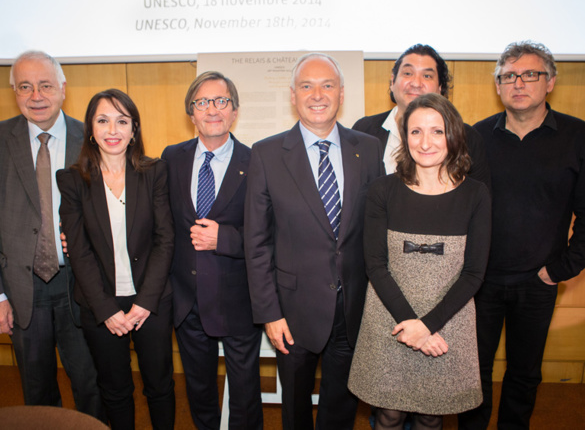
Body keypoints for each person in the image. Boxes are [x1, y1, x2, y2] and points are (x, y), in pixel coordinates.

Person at [245, 53, 384, 429]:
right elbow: (256, 243)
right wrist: (270, 313)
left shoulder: (368, 149)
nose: (317, 94)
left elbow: (377, 229)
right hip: (291, 310)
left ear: (342, 93)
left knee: (341, 405)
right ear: (293, 95)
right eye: (306, 86)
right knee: (294, 408)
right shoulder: (267, 153)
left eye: (327, 85)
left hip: (352, 305)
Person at [458, 41, 585, 430]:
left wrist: (561, 268)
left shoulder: (577, 136)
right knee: (472, 376)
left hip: (538, 281)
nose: (518, 83)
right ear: (498, 86)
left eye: (530, 74)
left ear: (550, 83)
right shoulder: (476, 137)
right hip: (479, 281)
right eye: (508, 76)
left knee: (524, 373)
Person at [349, 93, 491, 430]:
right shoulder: (382, 191)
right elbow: (375, 265)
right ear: (404, 137)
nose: (425, 142)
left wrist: (427, 326)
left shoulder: (476, 194)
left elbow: (473, 274)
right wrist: (411, 325)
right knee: (389, 414)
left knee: (432, 413)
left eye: (436, 131)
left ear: (453, 136)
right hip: (390, 315)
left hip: (448, 320)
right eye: (415, 132)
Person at [0, 51, 103, 420]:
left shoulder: (92, 137)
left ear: (63, 89)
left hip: (80, 284)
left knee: (90, 381)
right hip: (19, 288)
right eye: (25, 87)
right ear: (14, 92)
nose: (36, 96)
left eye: (45, 85)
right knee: (37, 388)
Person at [57, 89, 175, 429]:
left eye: (122, 121)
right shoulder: (72, 180)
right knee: (115, 389)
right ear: (90, 129)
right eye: (103, 120)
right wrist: (106, 309)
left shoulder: (154, 172)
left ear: (134, 129)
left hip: (150, 300)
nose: (113, 130)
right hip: (100, 303)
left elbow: (165, 239)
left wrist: (145, 303)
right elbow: (78, 251)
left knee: (160, 385)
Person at [162, 72, 264, 430]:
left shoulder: (258, 162)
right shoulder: (172, 158)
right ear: (192, 113)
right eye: (203, 102)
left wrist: (225, 239)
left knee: (245, 392)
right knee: (199, 389)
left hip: (238, 298)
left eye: (221, 101)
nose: (212, 110)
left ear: (234, 111)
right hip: (187, 300)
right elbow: (161, 224)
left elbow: (269, 232)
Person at [352, 43, 490, 188]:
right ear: (392, 82)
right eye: (407, 73)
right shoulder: (364, 130)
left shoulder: (467, 137)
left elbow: (479, 199)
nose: (416, 83)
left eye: (427, 76)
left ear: (440, 88)